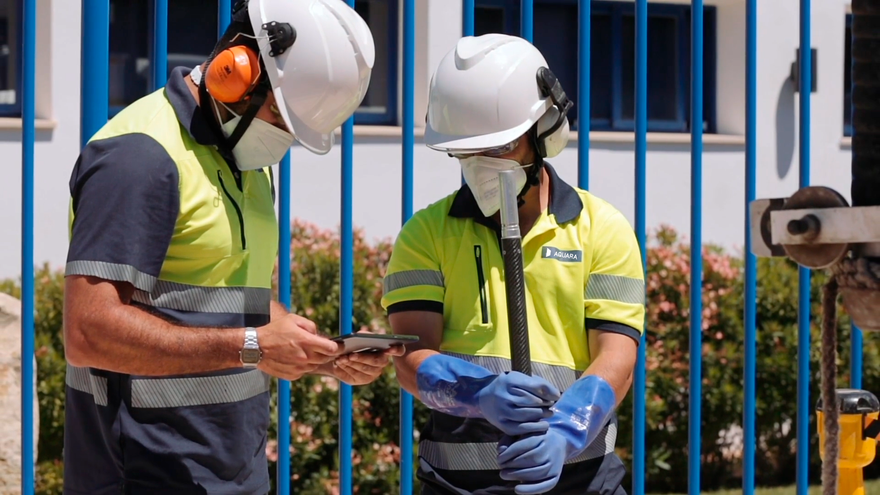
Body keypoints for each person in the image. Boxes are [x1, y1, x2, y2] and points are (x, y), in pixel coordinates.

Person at [62, 1, 402, 493]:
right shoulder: (139, 159)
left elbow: (229, 297)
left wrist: (312, 351)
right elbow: (88, 332)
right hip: (140, 475)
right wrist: (252, 347)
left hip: (232, 472)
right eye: (281, 118)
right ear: (236, 69)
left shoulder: (246, 158)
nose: (285, 137)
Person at [382, 34, 646, 495]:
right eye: (466, 151)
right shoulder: (425, 234)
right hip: (456, 485)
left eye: (499, 147)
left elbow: (618, 357)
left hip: (581, 479)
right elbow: (410, 356)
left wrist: (565, 434)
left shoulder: (603, 228)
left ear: (543, 132)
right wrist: (477, 393)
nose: (482, 165)